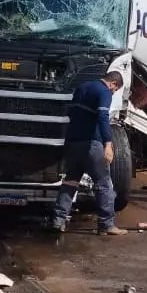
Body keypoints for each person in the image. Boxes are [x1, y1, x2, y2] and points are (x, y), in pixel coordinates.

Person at [50, 71, 128, 235]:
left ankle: (58, 221)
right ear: (113, 83)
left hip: (72, 142)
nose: (113, 92)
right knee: (104, 184)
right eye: (115, 89)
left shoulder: (82, 87)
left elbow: (70, 113)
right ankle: (106, 225)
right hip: (91, 144)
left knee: (70, 182)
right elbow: (102, 117)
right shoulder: (104, 91)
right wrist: (108, 143)